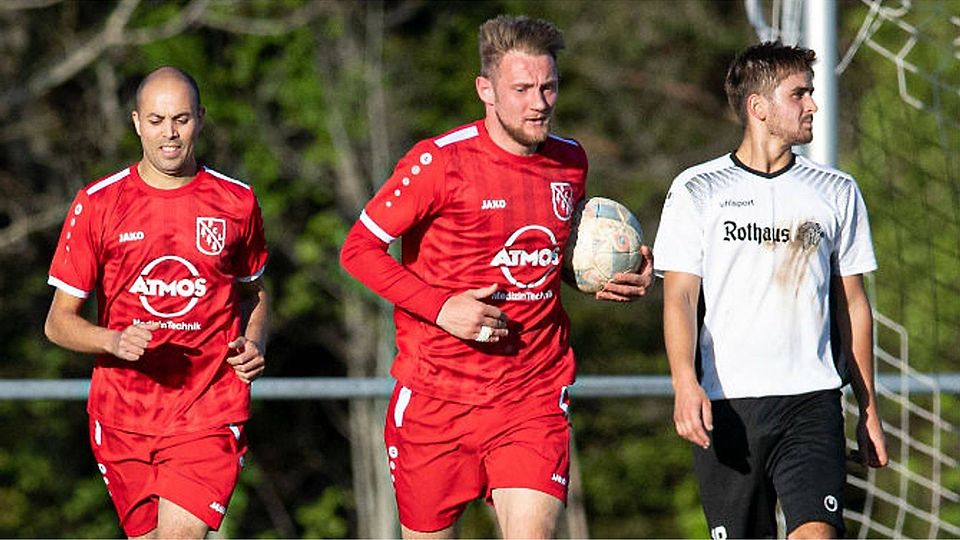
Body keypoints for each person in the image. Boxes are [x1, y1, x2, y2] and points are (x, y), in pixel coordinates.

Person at [340, 14, 653, 539]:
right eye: (523, 88)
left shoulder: (570, 161)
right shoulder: (439, 163)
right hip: (437, 398)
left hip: (531, 391)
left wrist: (608, 278)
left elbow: (546, 256)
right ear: (486, 89)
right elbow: (357, 251)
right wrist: (442, 307)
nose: (539, 102)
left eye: (549, 86)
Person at [654, 41, 888, 539]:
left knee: (817, 533)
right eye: (798, 94)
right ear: (758, 107)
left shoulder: (837, 190)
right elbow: (678, 297)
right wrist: (683, 382)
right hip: (727, 406)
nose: (813, 105)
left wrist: (868, 407)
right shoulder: (697, 189)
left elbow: (853, 304)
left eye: (811, 92)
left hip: (811, 400)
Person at [44, 66, 269, 539]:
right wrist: (113, 339)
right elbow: (58, 323)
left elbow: (254, 292)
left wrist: (253, 340)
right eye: (157, 119)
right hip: (123, 414)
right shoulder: (99, 204)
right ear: (136, 122)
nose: (170, 133)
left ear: (201, 120)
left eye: (182, 119)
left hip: (208, 408)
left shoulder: (237, 201)